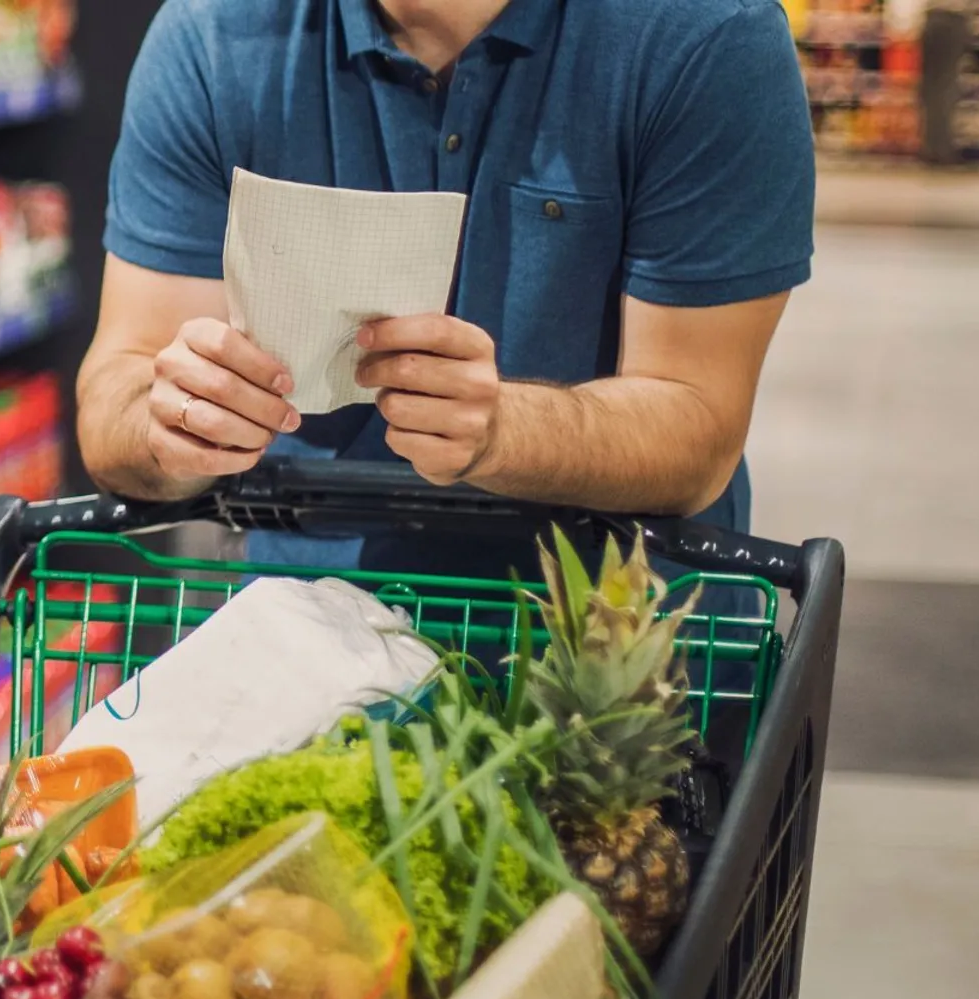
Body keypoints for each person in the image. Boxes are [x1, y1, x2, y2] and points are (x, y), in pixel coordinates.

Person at [75, 0, 816, 580]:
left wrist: (502, 430)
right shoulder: (213, 36)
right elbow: (117, 396)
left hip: (614, 661)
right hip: (305, 648)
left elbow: (698, 426)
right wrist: (170, 424)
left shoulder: (704, 35)